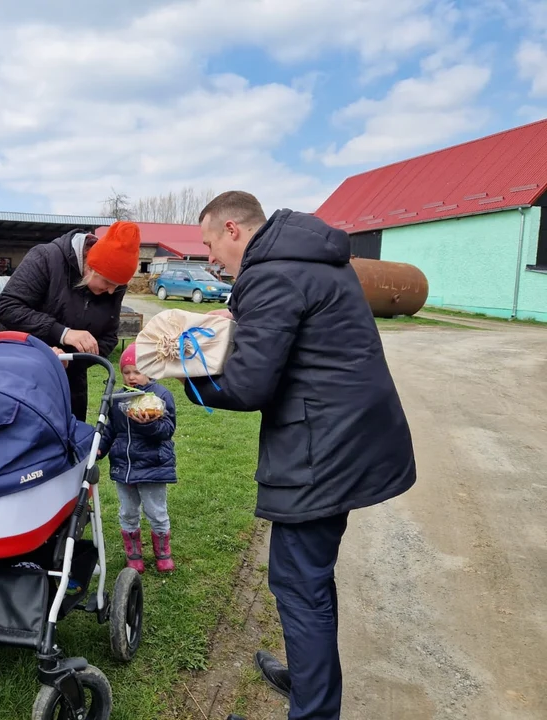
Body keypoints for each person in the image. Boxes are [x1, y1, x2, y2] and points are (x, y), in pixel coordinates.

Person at [184, 192, 416, 720]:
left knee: (297, 582)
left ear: (234, 230)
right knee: (312, 576)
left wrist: (183, 379)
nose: (211, 258)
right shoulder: (309, 260)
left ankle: (313, 710)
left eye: (210, 244)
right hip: (353, 439)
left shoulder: (273, 275)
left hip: (324, 451)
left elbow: (248, 386)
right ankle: (311, 682)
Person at [0, 221, 141, 421]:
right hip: (20, 374)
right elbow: (8, 307)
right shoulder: (46, 258)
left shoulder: (113, 288)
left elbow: (108, 338)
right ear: (91, 267)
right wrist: (62, 333)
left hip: (69, 385)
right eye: (107, 282)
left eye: (117, 287)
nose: (110, 291)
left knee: (67, 442)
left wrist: (67, 359)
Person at [98, 343, 178, 573]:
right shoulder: (118, 398)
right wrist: (100, 448)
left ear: (150, 370)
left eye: (137, 371)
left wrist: (149, 424)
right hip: (124, 467)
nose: (132, 377)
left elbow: (167, 430)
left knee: (156, 511)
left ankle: (163, 552)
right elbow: (110, 429)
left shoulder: (161, 396)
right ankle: (133, 553)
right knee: (128, 511)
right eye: (127, 372)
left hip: (153, 465)